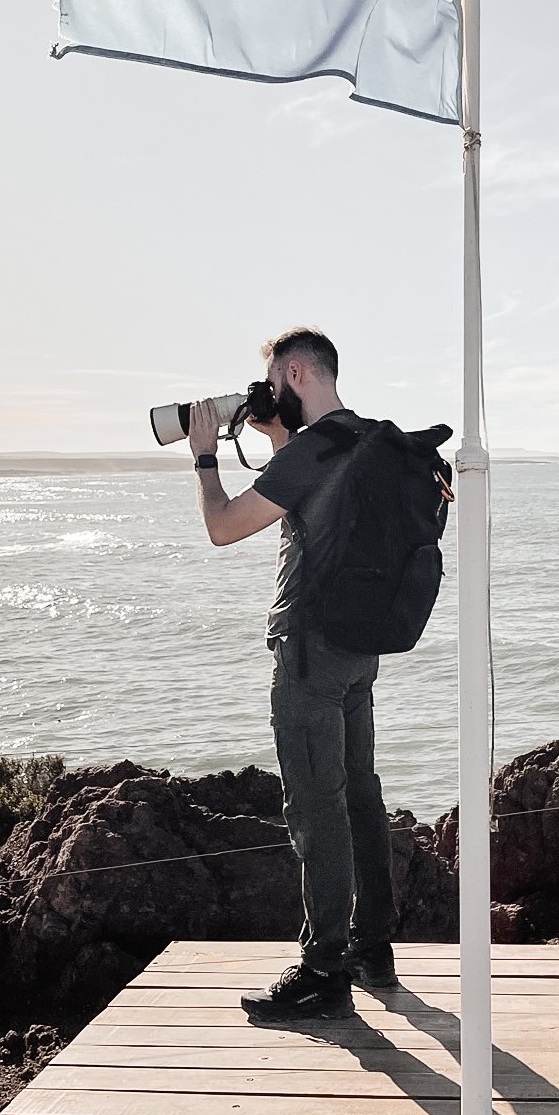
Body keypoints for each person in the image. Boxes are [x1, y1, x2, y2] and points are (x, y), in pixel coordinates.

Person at [187, 326, 398, 1023]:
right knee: (360, 796)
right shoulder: (365, 438)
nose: (269, 393)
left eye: (276, 381)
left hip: (308, 654)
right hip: (359, 649)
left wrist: (204, 456)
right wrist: (279, 439)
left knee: (316, 808)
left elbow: (223, 527)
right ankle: (372, 947)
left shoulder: (309, 452)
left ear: (298, 372)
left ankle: (323, 970)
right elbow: (313, 511)